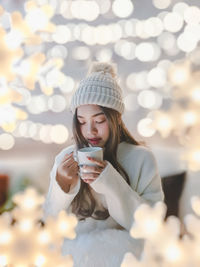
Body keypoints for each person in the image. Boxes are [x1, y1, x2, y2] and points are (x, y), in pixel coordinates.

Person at [43, 62, 164, 267]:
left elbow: (151, 227)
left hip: (127, 258)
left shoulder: (141, 159)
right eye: (81, 121)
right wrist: (62, 184)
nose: (90, 131)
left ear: (116, 119)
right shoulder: (65, 158)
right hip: (74, 258)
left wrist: (111, 182)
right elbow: (49, 222)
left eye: (99, 121)